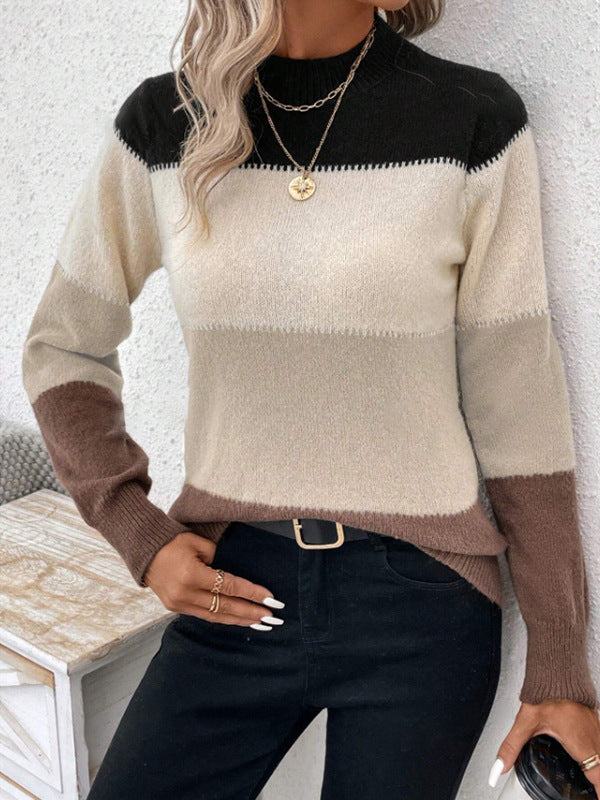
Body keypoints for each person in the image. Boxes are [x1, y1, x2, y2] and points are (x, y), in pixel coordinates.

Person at [21, 1, 600, 798]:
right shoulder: (165, 124)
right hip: (234, 587)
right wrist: (138, 532)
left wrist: (561, 665)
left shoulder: (472, 119)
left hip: (423, 604)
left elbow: (519, 404)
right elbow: (62, 346)